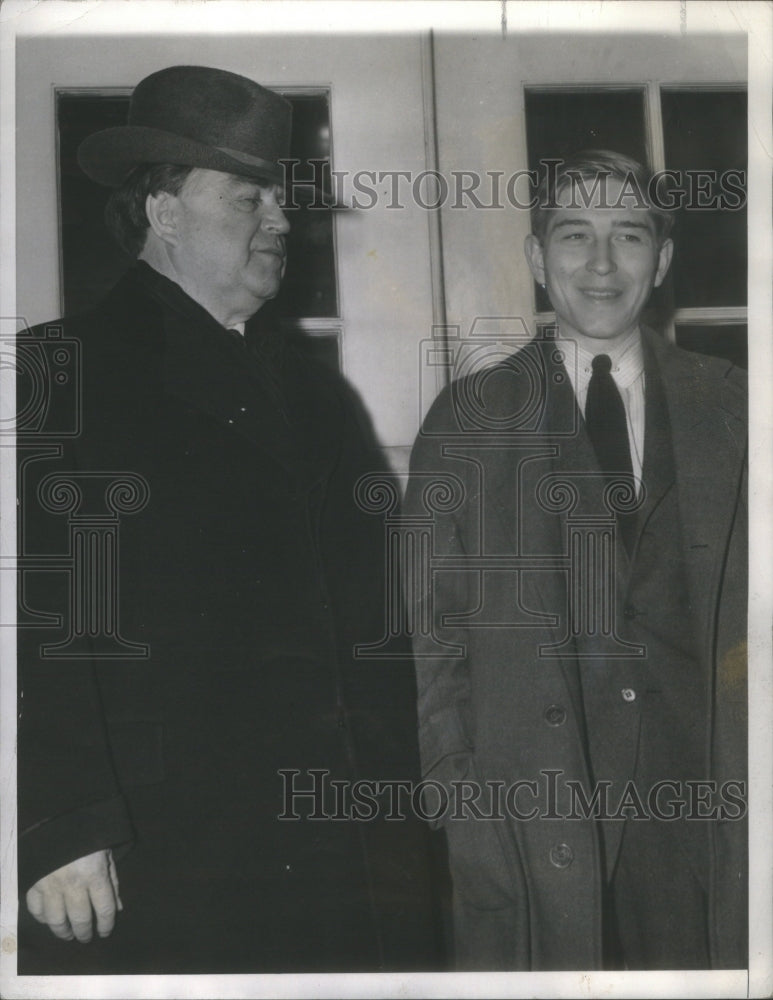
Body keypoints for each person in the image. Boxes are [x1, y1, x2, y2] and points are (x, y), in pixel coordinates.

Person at [17, 64, 439, 974]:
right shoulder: (63, 369)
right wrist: (63, 823)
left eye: (278, 200)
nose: (280, 221)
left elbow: (377, 619)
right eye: (248, 198)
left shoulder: (314, 391)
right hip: (162, 851)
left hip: (342, 842)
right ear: (163, 211)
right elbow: (41, 620)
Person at [406, 150, 747, 970]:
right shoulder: (467, 421)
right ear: (535, 257)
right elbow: (432, 639)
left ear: (660, 260)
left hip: (708, 817)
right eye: (573, 235)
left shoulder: (738, 406)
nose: (599, 264)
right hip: (534, 815)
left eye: (627, 236)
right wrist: (460, 797)